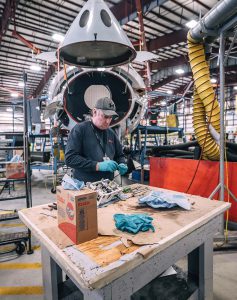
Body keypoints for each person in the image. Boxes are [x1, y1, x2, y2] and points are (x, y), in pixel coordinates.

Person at [65, 97, 128, 183]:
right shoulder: (80, 130)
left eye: (110, 117)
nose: (108, 121)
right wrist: (97, 166)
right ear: (94, 112)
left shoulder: (111, 133)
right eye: (105, 116)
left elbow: (119, 155)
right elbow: (70, 159)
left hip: (108, 185)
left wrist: (122, 163)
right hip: (85, 187)